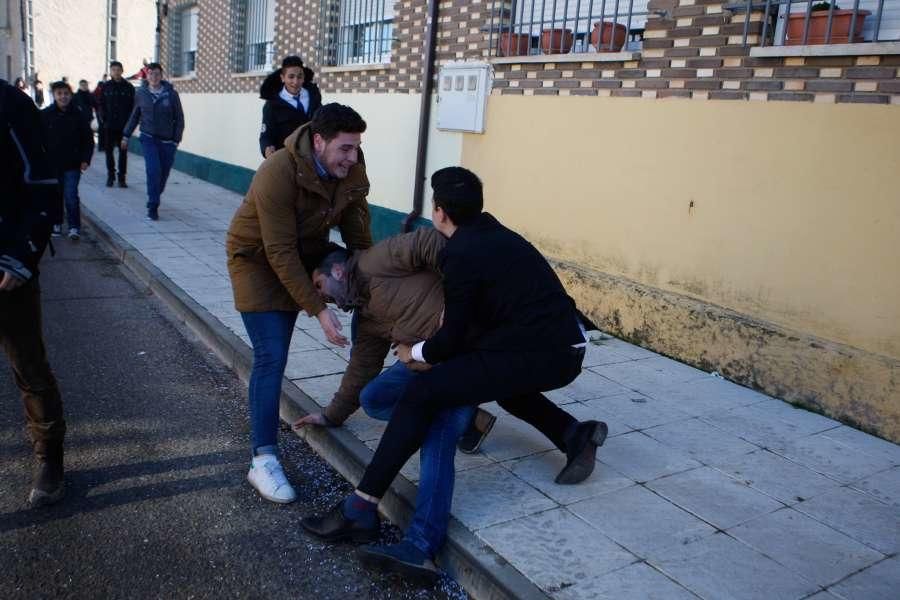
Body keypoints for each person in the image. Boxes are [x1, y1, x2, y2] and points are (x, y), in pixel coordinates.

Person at [301, 167, 608, 578]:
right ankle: (573, 434)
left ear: (441, 212)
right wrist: (334, 413)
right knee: (406, 395)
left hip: (539, 349)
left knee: (427, 401)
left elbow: (448, 331)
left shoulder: (447, 254)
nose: (322, 298)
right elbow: (366, 362)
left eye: (319, 287)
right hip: (540, 342)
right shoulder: (489, 234)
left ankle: (405, 534)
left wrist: (422, 345)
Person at [226, 103, 372, 504]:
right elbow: (279, 252)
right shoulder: (277, 172)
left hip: (307, 249)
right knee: (272, 356)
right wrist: (319, 310)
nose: (353, 157)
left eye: (357, 147)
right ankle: (263, 459)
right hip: (257, 259)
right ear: (320, 141)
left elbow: (359, 230)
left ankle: (366, 385)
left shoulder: (351, 167)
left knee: (366, 291)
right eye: (345, 148)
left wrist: (369, 276)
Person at [0, 78, 66, 507]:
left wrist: (21, 256)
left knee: (29, 367)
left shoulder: (10, 105)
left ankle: (50, 457)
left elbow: (44, 186)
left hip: (6, 271)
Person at [121, 63, 184, 221]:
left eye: (157, 74)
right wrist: (126, 135)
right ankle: (153, 204)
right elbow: (135, 115)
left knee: (163, 174)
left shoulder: (171, 94)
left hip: (168, 141)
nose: (154, 77)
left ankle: (155, 195)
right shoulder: (141, 93)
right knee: (153, 170)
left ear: (161, 75)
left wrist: (176, 140)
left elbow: (180, 118)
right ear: (146, 76)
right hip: (148, 138)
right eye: (150, 74)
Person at [40, 82, 94, 241]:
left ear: (70, 95)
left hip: (73, 163)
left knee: (70, 195)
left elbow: (88, 140)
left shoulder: (79, 115)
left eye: (66, 93)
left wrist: (86, 159)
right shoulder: (45, 115)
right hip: (52, 164)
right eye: (59, 93)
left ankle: (74, 226)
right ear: (54, 95)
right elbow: (38, 139)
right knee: (55, 195)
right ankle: (56, 222)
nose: (63, 97)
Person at [258, 55, 322, 159]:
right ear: (282, 78)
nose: (295, 82)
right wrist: (267, 149)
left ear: (304, 77)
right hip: (287, 159)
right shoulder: (272, 105)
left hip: (313, 157)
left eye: (299, 76)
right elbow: (266, 136)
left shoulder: (314, 95)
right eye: (291, 77)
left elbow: (321, 120)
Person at [97, 61, 135, 187]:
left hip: (124, 127)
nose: (116, 72)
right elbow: (100, 104)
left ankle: (122, 178)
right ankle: (110, 176)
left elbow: (133, 107)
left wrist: (130, 123)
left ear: (122, 71)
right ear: (110, 72)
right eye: (113, 70)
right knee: (109, 152)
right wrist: (103, 119)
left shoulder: (129, 87)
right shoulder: (105, 87)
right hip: (109, 126)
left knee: (123, 152)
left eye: (118, 69)